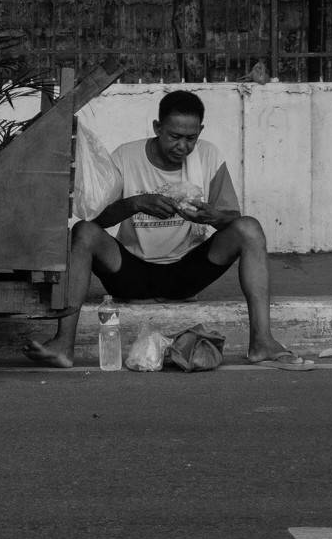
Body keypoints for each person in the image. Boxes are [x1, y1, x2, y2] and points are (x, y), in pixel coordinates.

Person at [24, 89, 313, 370]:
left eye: (191, 138)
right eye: (174, 137)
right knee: (84, 231)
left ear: (200, 131)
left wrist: (212, 217)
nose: (183, 146)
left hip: (185, 273)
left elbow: (232, 219)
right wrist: (135, 204)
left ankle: (262, 342)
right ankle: (63, 346)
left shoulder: (209, 156)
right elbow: (98, 219)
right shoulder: (126, 157)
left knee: (250, 228)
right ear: (157, 128)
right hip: (130, 273)